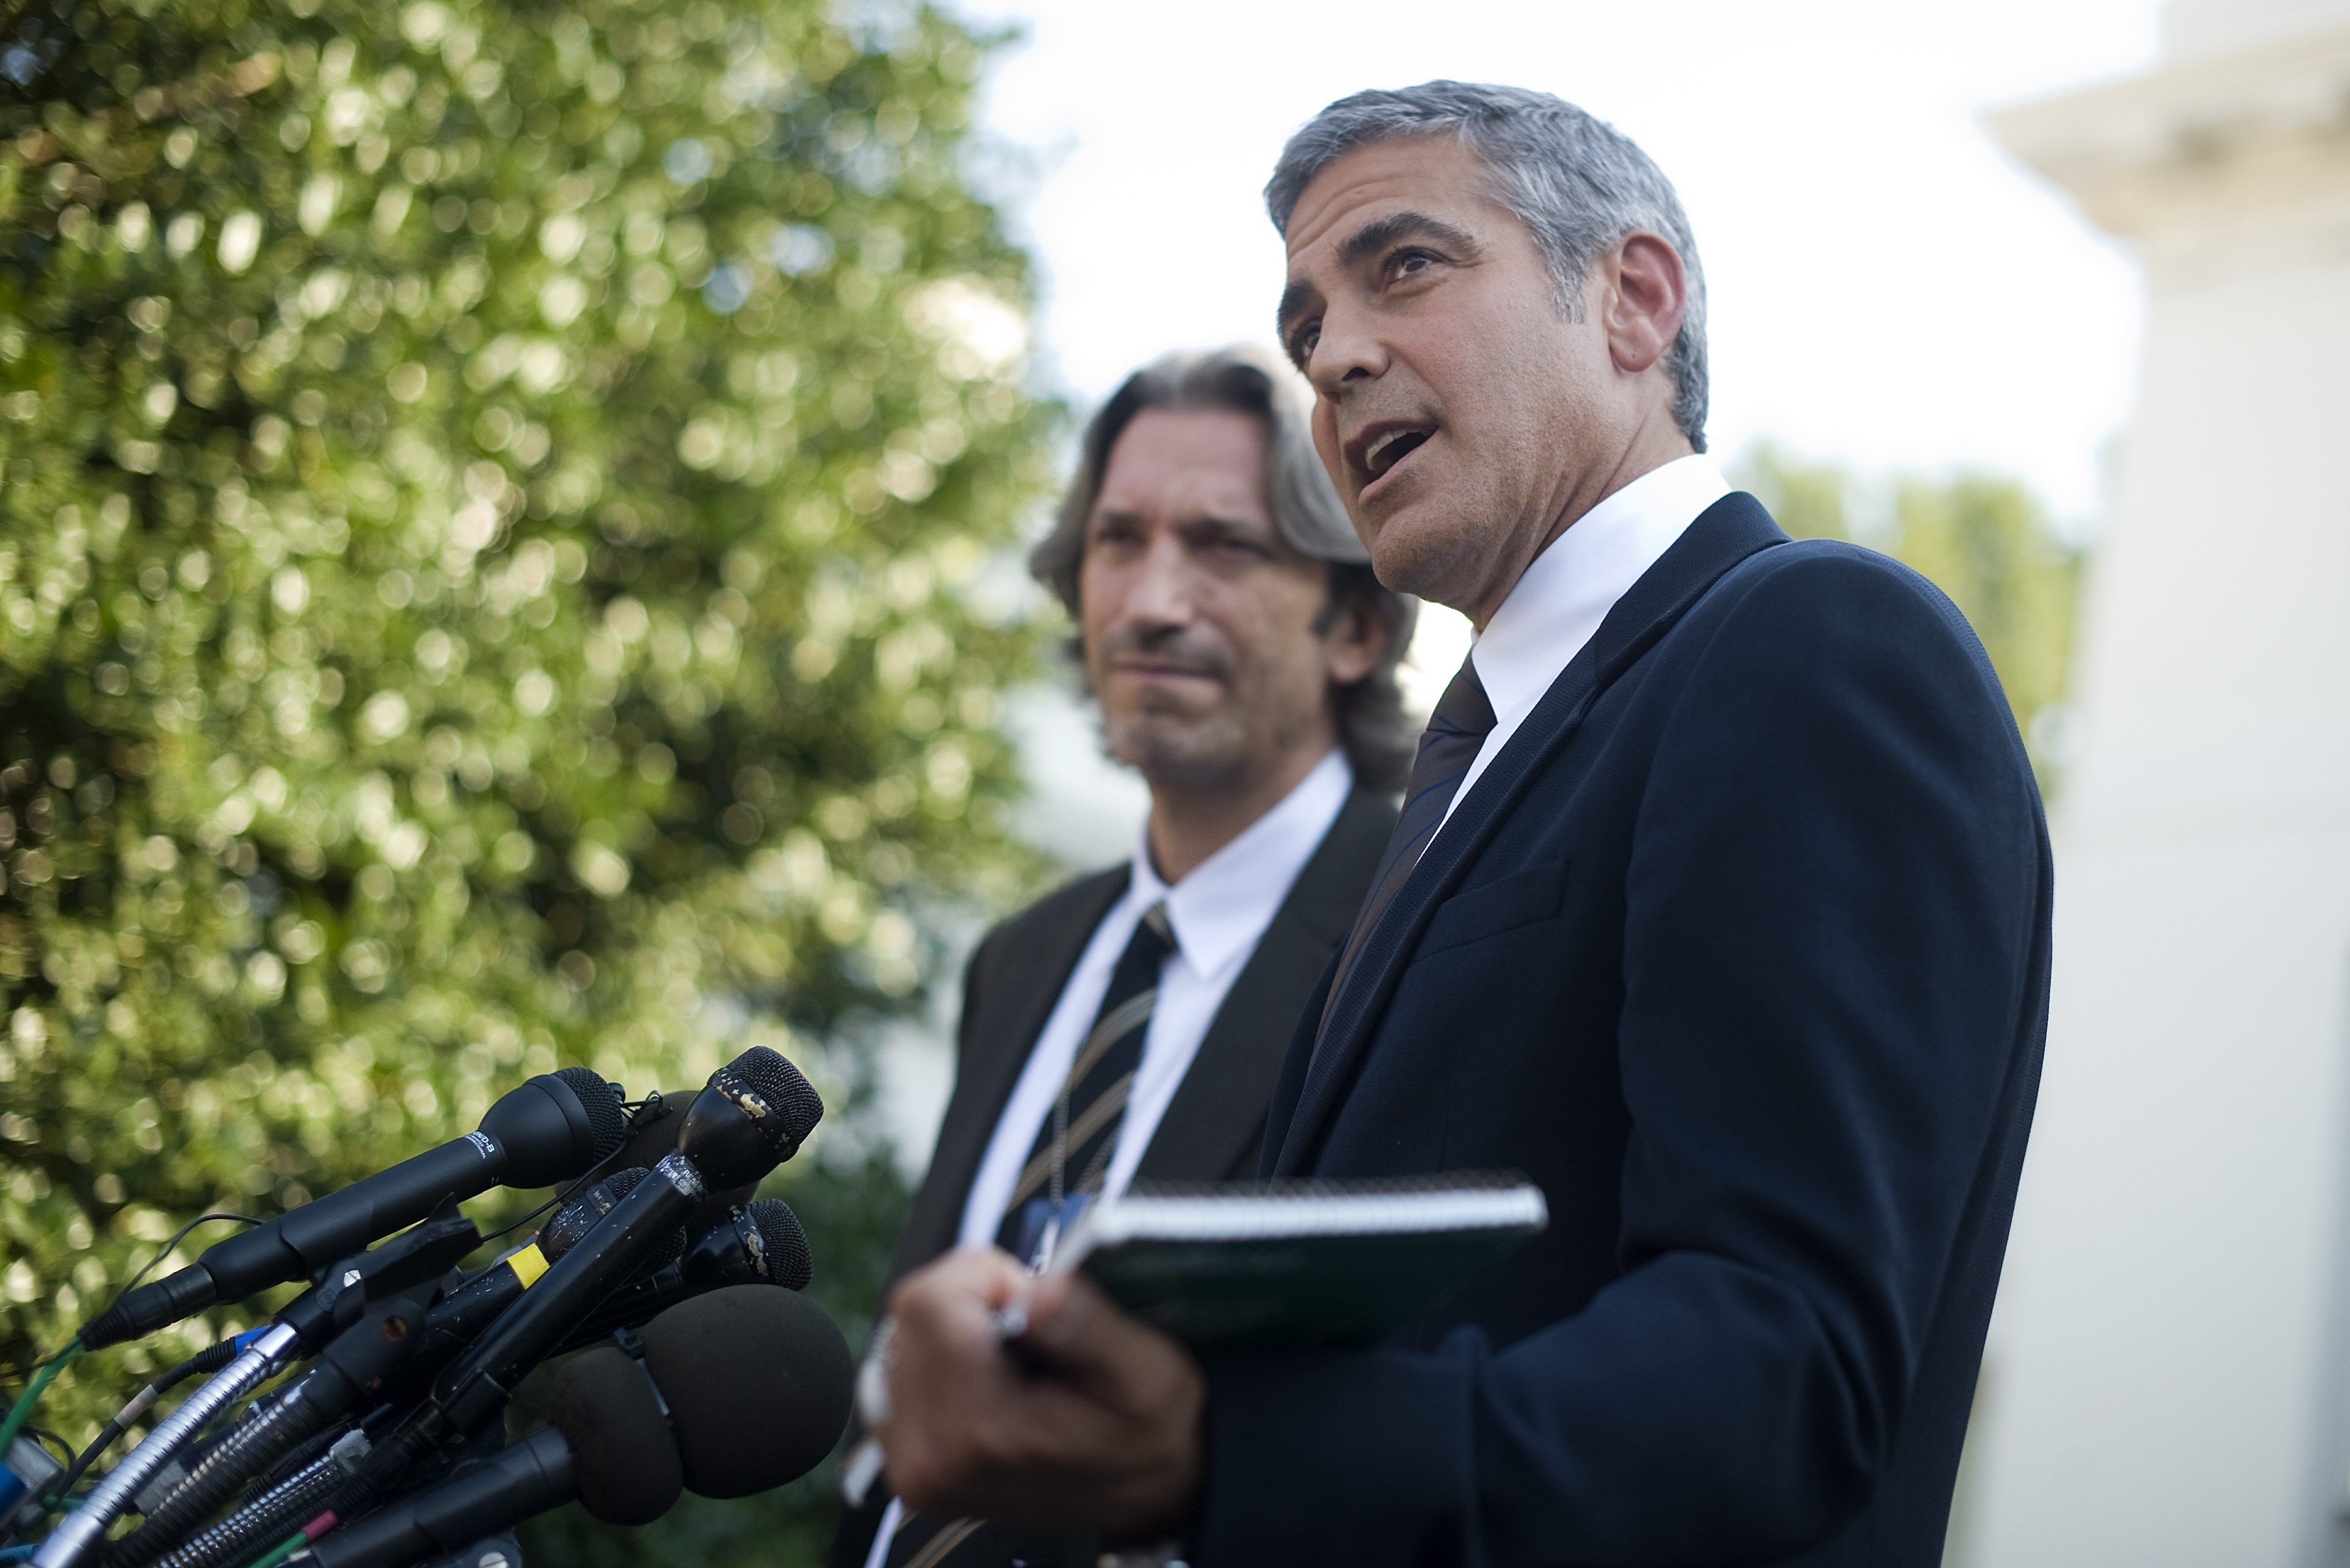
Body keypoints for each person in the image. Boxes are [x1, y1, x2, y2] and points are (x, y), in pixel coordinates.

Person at [866, 82, 2053, 1568]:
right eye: (1307, 325)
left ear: (1632, 300)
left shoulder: (1811, 642)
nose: (1332, 357)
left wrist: (1219, 1450)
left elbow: (1779, 1371)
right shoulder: (1479, 761)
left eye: (1406, 266)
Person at [832, 346, 1414, 1568]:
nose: (1152, 601)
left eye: (1222, 546)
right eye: (1117, 540)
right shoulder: (1021, 958)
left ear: (1356, 627)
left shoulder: (1422, 935)